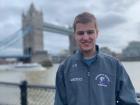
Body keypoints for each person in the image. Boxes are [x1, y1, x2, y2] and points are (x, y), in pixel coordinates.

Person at [54, 12, 139, 105]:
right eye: (80, 33)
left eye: (90, 32)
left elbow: (130, 102)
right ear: (74, 36)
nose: (86, 37)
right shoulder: (64, 68)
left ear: (97, 33)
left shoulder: (115, 65)